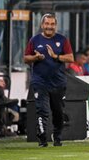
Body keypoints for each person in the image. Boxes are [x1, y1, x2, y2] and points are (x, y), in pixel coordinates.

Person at [24, 13, 74, 147]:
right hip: (40, 81)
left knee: (58, 112)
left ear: (56, 26)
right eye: (47, 24)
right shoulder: (34, 40)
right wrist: (35, 58)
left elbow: (70, 58)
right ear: (42, 25)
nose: (49, 27)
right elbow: (26, 58)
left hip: (58, 82)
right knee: (42, 110)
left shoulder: (62, 40)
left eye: (52, 24)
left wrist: (55, 56)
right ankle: (42, 139)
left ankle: (57, 137)